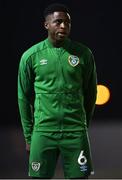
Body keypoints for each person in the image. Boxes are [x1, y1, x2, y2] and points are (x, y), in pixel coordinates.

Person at [18, 3, 97, 179]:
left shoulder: (84, 54)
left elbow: (91, 94)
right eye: (58, 22)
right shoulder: (31, 56)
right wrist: (29, 137)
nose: (64, 26)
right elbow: (23, 98)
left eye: (67, 23)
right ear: (46, 24)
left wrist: (83, 126)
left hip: (75, 132)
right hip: (43, 132)